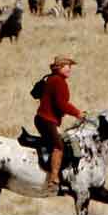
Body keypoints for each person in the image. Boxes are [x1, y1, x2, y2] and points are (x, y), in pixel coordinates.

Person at [35, 55, 86, 191]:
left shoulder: (53, 78)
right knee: (59, 146)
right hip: (46, 119)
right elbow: (61, 104)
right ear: (59, 67)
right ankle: (53, 178)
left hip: (44, 119)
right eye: (67, 66)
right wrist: (78, 113)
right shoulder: (58, 81)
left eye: (70, 66)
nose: (70, 69)